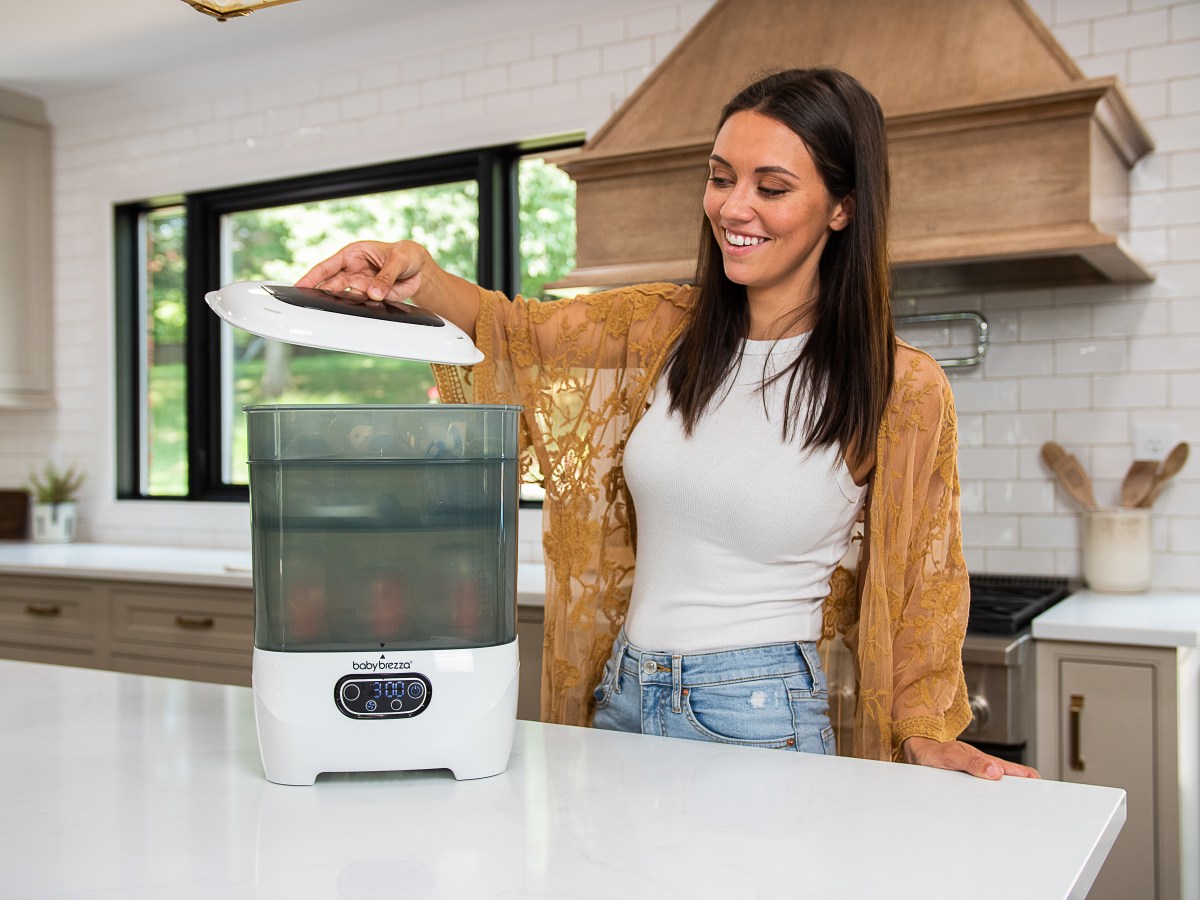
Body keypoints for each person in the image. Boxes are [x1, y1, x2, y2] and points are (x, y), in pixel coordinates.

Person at [297, 67, 1038, 780]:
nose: (733, 207)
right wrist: (414, 272)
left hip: (757, 714)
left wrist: (924, 734)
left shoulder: (898, 386)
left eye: (771, 187)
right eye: (720, 178)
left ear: (842, 207)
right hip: (623, 692)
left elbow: (921, 583)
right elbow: (513, 330)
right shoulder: (662, 331)